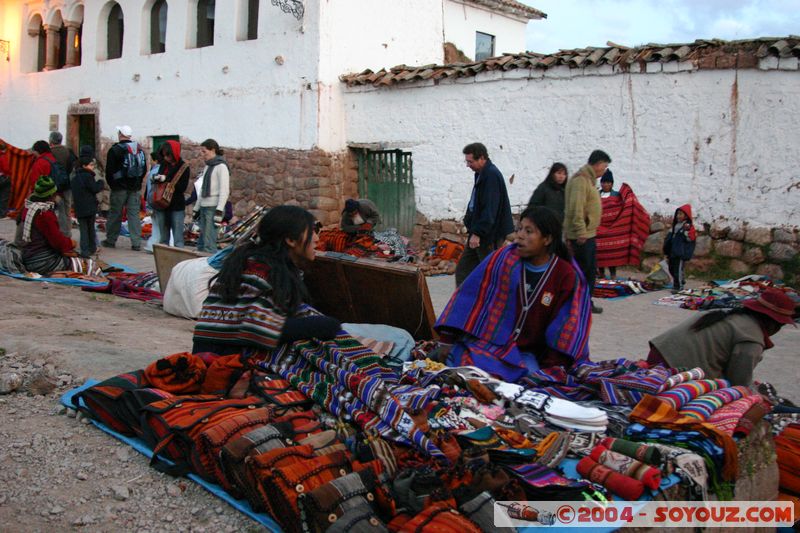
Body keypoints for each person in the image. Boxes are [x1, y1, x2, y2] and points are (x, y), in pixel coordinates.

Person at [435, 206, 592, 382]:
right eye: (519, 229)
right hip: (491, 344)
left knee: (527, 378)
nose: (520, 236)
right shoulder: (503, 260)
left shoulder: (565, 275)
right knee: (463, 363)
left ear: (547, 239)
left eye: (529, 231)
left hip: (526, 355)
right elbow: (468, 299)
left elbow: (566, 326)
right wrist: (446, 339)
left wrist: (549, 371)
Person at [192, 205, 340, 356]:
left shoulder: (260, 262)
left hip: (219, 352)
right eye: (312, 232)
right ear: (290, 240)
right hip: (221, 358)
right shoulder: (260, 269)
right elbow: (256, 326)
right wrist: (326, 324)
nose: (317, 238)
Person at [647, 288, 797, 386]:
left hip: (657, 355)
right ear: (773, 323)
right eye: (781, 325)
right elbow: (739, 383)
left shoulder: (728, 314)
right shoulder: (751, 339)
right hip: (674, 372)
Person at [455, 142, 514, 286]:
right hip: (478, 231)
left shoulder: (491, 176)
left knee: (491, 273)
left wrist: (478, 233)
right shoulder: (481, 174)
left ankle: (495, 303)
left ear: (481, 158)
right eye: (467, 161)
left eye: (470, 161)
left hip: (488, 235)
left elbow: (490, 209)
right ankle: (463, 303)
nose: (468, 165)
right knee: (463, 270)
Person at [565, 149, 611, 314]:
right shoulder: (581, 181)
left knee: (590, 271)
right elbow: (577, 208)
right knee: (582, 271)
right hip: (581, 236)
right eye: (604, 167)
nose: (604, 170)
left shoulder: (589, 180)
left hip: (588, 234)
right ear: (597, 164)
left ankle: (585, 302)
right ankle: (577, 303)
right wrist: (580, 231)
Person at [16, 176, 77, 274]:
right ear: (51, 194)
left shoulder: (28, 207)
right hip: (42, 261)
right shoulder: (44, 214)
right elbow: (57, 241)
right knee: (86, 265)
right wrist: (70, 243)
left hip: (27, 256)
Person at [103, 126, 147, 251]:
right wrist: (137, 182)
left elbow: (109, 171)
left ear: (120, 134)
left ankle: (111, 240)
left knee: (115, 214)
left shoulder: (115, 150)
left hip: (119, 188)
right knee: (133, 215)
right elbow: (144, 169)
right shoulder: (139, 150)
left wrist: (113, 185)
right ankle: (136, 242)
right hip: (135, 188)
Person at [192, 139, 230, 253]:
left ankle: (210, 266)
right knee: (201, 241)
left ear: (213, 150)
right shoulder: (208, 166)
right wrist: (196, 208)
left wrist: (219, 210)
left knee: (209, 242)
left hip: (213, 207)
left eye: (204, 152)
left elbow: (224, 190)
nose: (202, 155)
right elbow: (203, 188)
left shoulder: (221, 167)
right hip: (204, 206)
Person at [152, 140, 190, 248]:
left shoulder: (183, 167)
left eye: (168, 155)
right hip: (162, 205)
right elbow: (157, 180)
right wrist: (157, 178)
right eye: (164, 155)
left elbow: (182, 187)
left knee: (178, 238)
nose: (166, 158)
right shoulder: (164, 164)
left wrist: (166, 180)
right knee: (163, 238)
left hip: (176, 205)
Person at [70, 149, 104, 258]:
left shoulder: (75, 177)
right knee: (90, 229)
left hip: (79, 207)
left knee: (83, 230)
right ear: (85, 165)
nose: (92, 167)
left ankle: (85, 250)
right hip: (90, 207)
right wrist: (100, 183)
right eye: (91, 165)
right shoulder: (88, 176)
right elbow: (95, 189)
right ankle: (91, 248)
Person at [662, 204, 696, 293]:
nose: (678, 216)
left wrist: (685, 233)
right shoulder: (675, 226)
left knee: (678, 270)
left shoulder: (687, 226)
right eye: (678, 214)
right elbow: (670, 237)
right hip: (672, 252)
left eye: (681, 214)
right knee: (671, 269)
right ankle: (680, 280)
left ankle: (679, 286)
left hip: (680, 252)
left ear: (686, 216)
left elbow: (691, 238)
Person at [49, 131, 77, 237]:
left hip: (53, 186)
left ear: (51, 140)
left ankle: (54, 232)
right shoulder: (68, 151)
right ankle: (67, 233)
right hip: (67, 185)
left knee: (51, 209)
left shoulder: (49, 153)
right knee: (66, 210)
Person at [597, 169, 619, 279]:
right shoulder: (596, 194)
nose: (606, 184)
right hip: (598, 228)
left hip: (611, 229)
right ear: (601, 183)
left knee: (611, 254)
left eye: (609, 183)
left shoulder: (616, 196)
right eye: (604, 182)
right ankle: (601, 273)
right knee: (599, 253)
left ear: (612, 184)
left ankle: (613, 274)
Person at [143, 152, 161, 253]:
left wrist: (148, 206)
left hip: (154, 201)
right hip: (163, 203)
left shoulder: (153, 172)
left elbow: (150, 190)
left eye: (151, 160)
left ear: (155, 160)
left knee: (155, 225)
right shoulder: (165, 170)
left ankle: (153, 245)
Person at [0, 143, 10, 218]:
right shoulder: (2, 156)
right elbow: (6, 168)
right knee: (4, 196)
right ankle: (2, 214)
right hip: (2, 177)